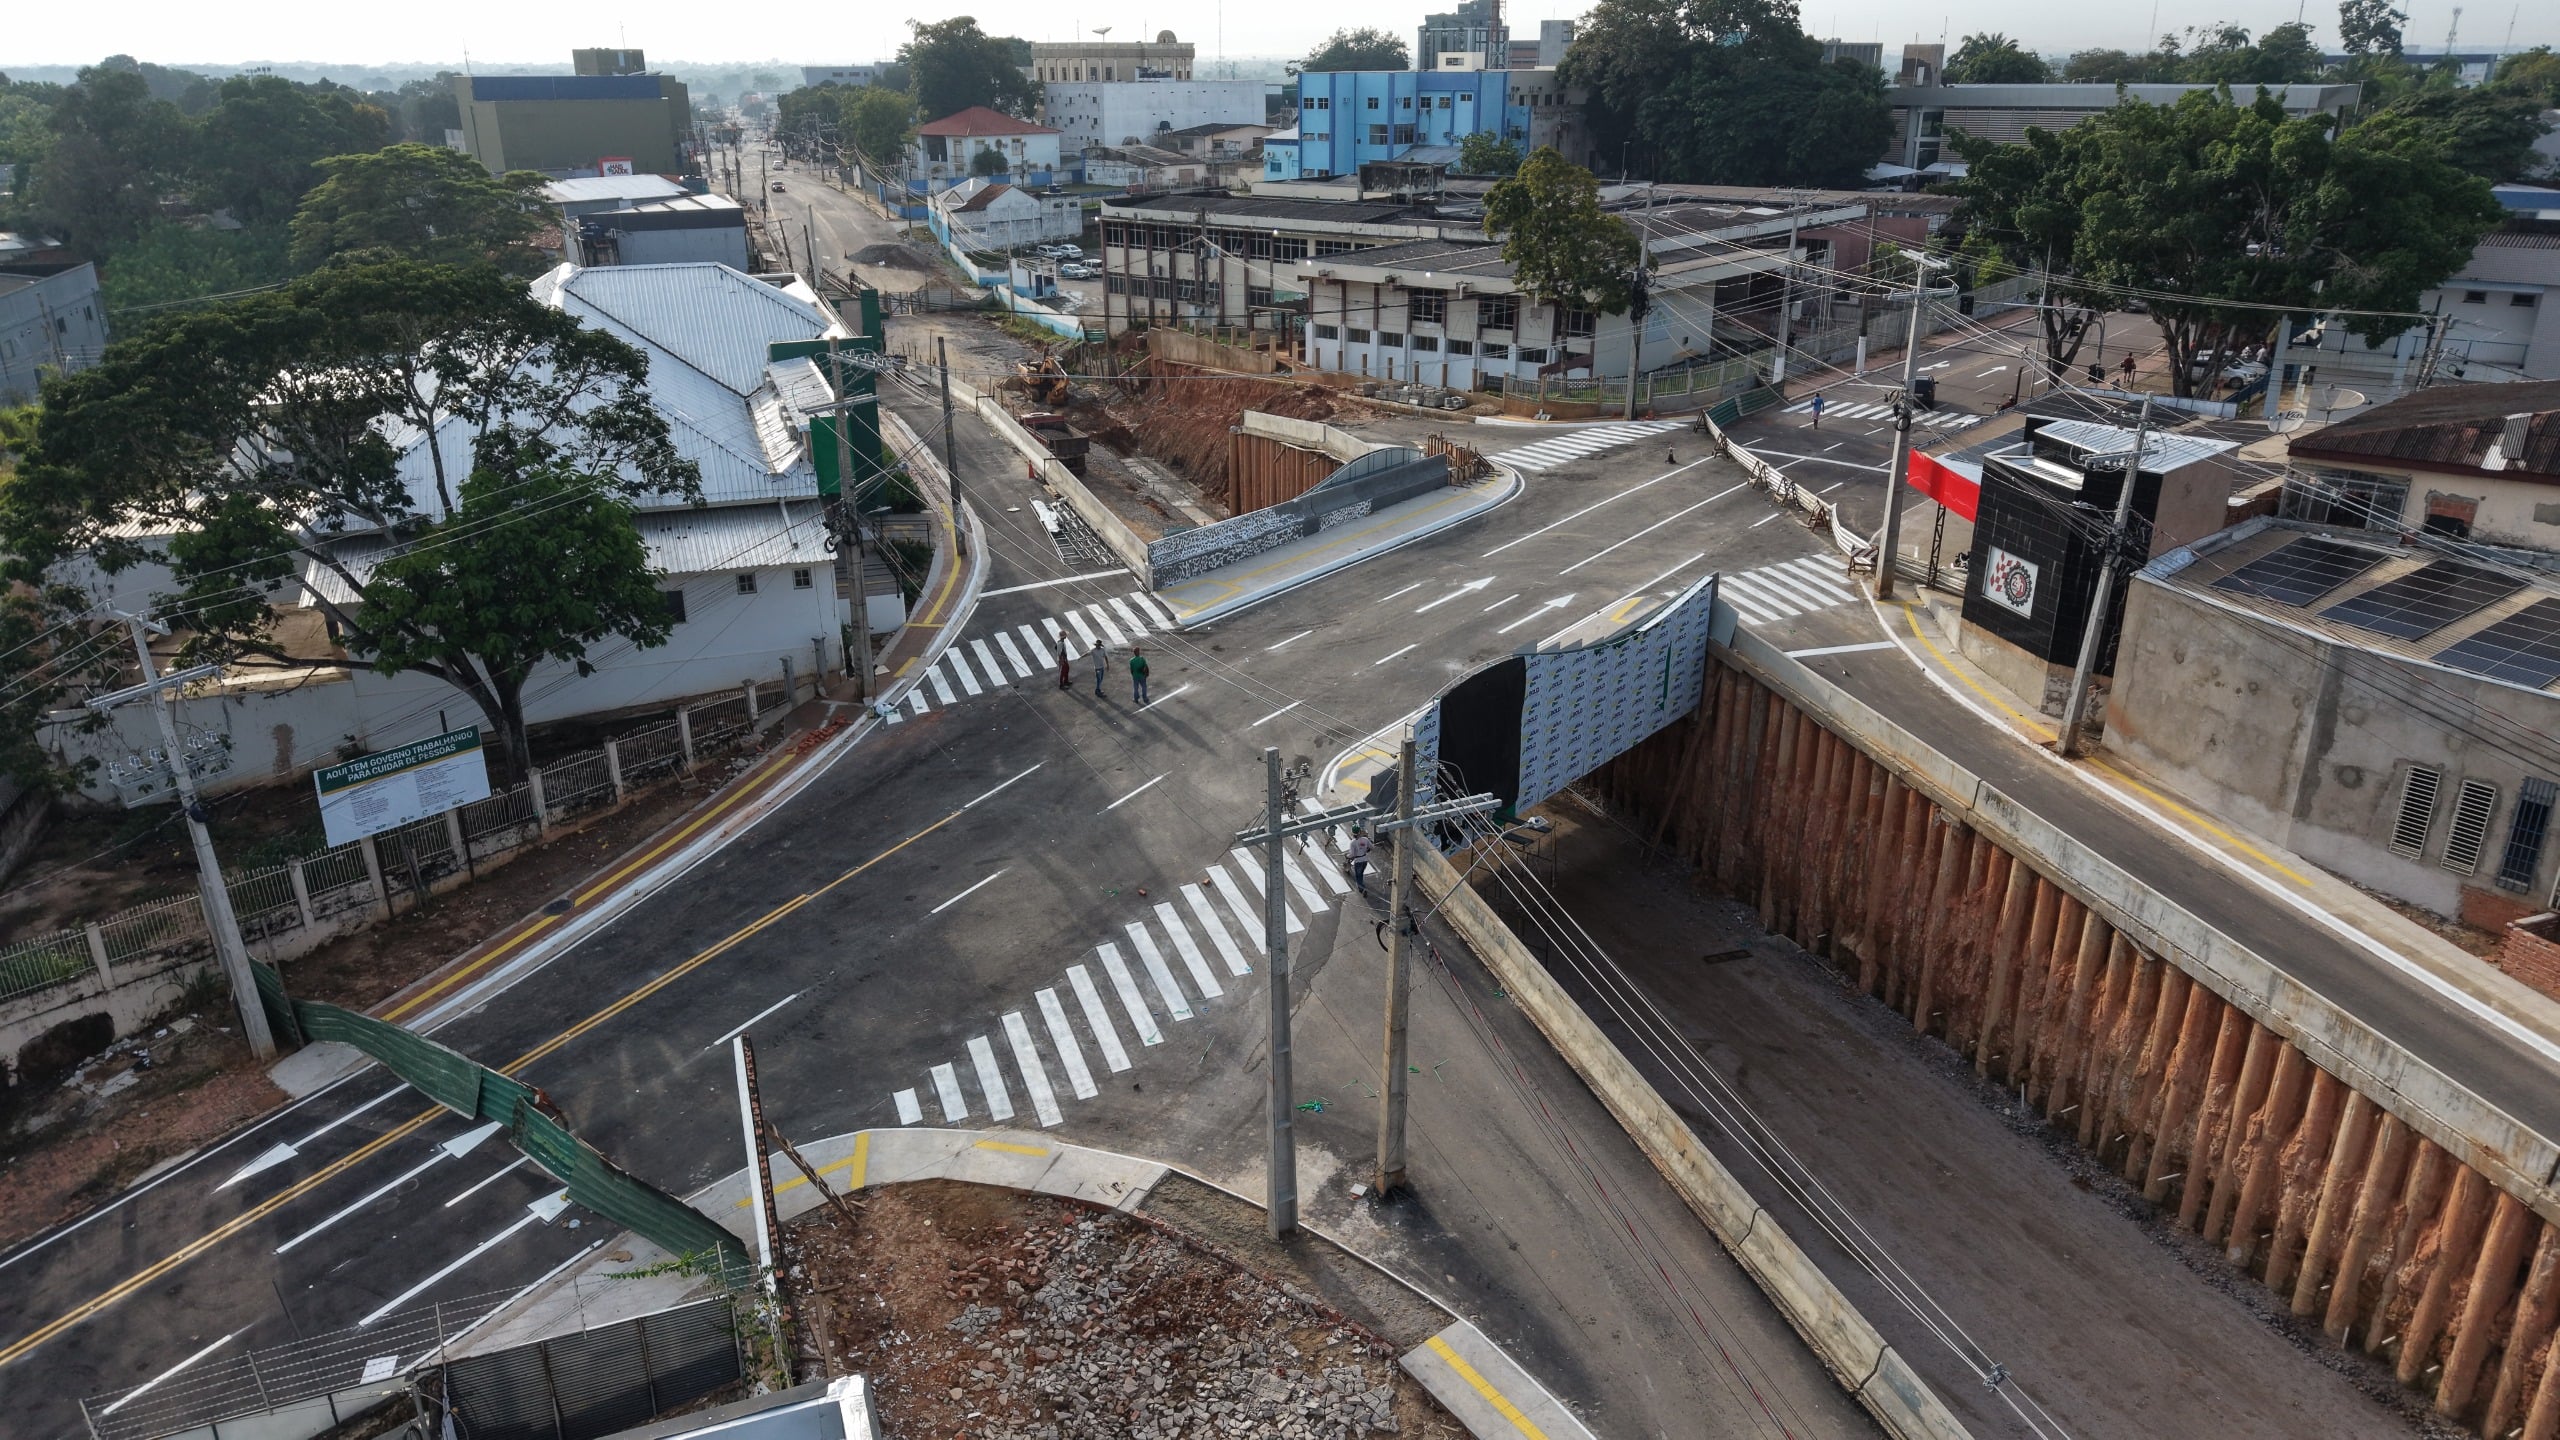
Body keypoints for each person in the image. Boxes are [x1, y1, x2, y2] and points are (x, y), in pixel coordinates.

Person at [1347, 827, 1374, 893]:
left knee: (1358, 876)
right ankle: (1361, 885)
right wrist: (1367, 849)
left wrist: (1347, 856)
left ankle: (1362, 889)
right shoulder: (1365, 839)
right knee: (1361, 873)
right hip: (1364, 860)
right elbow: (1372, 847)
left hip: (1358, 861)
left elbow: (1352, 854)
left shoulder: (1352, 842)